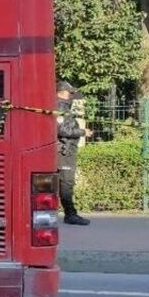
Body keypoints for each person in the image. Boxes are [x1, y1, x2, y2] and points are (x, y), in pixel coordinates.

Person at [56, 82, 90, 226]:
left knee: (64, 183)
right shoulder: (59, 107)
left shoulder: (62, 106)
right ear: (62, 92)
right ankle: (70, 215)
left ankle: (69, 213)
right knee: (66, 183)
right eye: (70, 93)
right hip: (64, 152)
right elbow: (62, 130)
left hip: (65, 150)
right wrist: (83, 132)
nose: (71, 96)